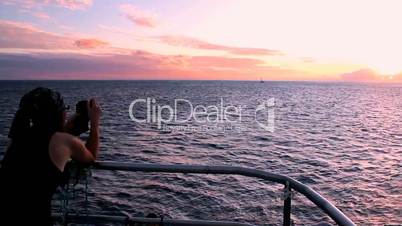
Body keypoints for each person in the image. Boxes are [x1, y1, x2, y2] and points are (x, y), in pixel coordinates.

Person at [0, 87, 101, 225]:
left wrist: (69, 125)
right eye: (65, 108)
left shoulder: (18, 138)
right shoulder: (63, 140)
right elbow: (90, 156)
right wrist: (95, 123)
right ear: (58, 114)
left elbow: (42, 139)